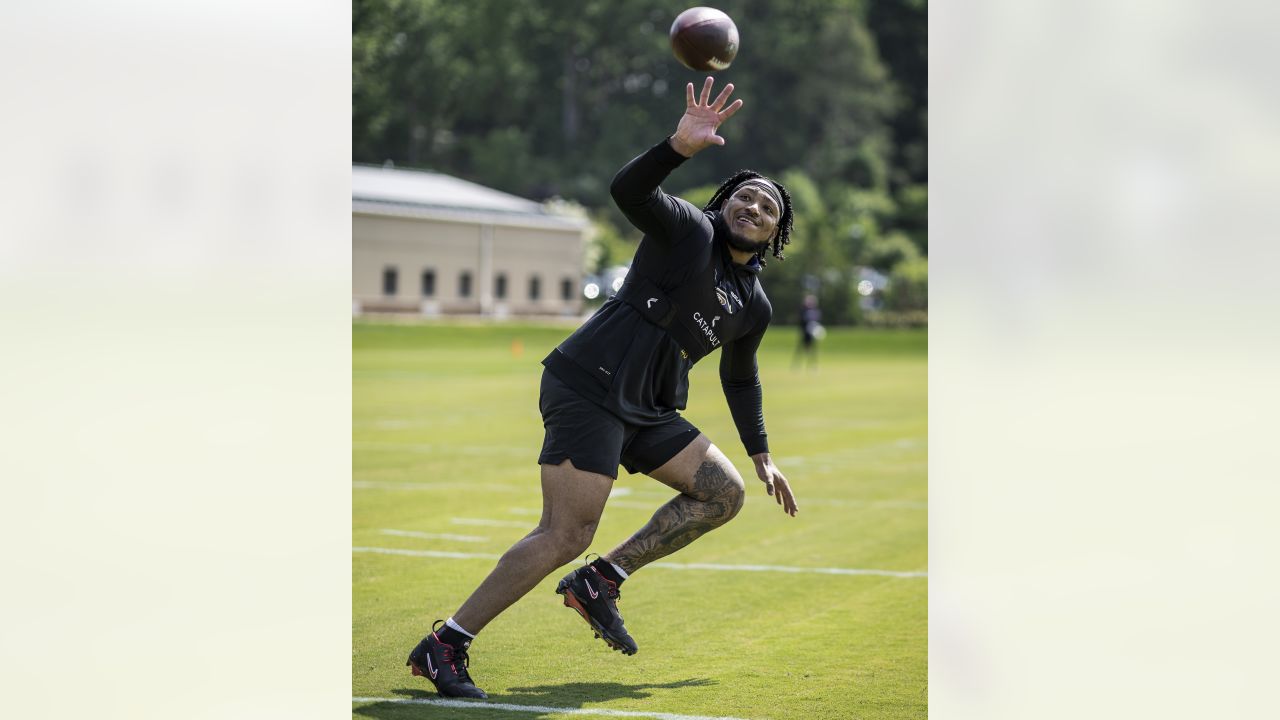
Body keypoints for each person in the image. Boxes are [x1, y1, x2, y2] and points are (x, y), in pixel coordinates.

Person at [406, 77, 799, 699]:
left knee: (723, 494)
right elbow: (630, 190)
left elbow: (740, 375)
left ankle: (603, 580)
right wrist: (678, 146)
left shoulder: (755, 303)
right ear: (724, 202)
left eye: (768, 206)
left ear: (777, 232)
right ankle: (445, 645)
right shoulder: (689, 232)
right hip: (589, 384)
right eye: (744, 196)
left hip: (647, 407)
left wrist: (763, 454)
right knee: (565, 533)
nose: (753, 207)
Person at [792, 294, 822, 369]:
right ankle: (796, 365)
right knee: (800, 350)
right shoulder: (803, 311)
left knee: (812, 351)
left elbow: (817, 322)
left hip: (812, 334)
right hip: (804, 333)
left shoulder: (816, 311)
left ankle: (812, 365)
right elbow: (801, 322)